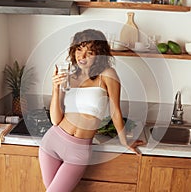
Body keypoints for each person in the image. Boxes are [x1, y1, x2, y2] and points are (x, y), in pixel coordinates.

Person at [39, 29, 145, 192]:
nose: (82, 56)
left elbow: (115, 110)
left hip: (78, 150)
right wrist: (55, 88)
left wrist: (124, 140)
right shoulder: (69, 77)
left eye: (90, 52)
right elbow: (55, 120)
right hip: (52, 143)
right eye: (79, 50)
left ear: (99, 55)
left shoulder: (107, 75)